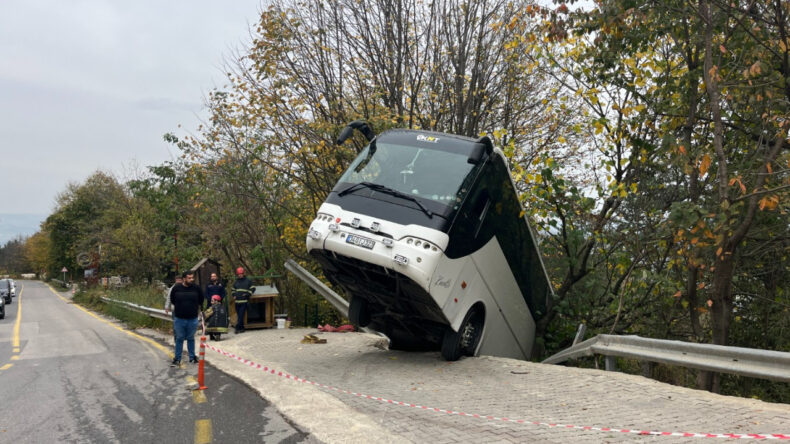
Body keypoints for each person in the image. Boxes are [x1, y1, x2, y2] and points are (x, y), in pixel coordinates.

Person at [169, 271, 204, 366]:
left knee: (191, 338)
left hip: (192, 319)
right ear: (184, 278)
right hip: (179, 319)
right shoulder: (176, 288)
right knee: (179, 338)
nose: (191, 279)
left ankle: (192, 357)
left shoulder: (196, 288)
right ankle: (177, 359)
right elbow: (172, 300)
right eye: (189, 278)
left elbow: (201, 300)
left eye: (192, 278)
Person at [231, 267, 255, 334]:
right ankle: (242, 328)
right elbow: (232, 289)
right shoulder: (236, 282)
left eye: (241, 274)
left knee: (241, 316)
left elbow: (253, 288)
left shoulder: (248, 281)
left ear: (243, 273)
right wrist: (234, 295)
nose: (240, 275)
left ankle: (237, 328)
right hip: (237, 302)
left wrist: (247, 294)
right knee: (239, 316)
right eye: (238, 274)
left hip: (244, 302)